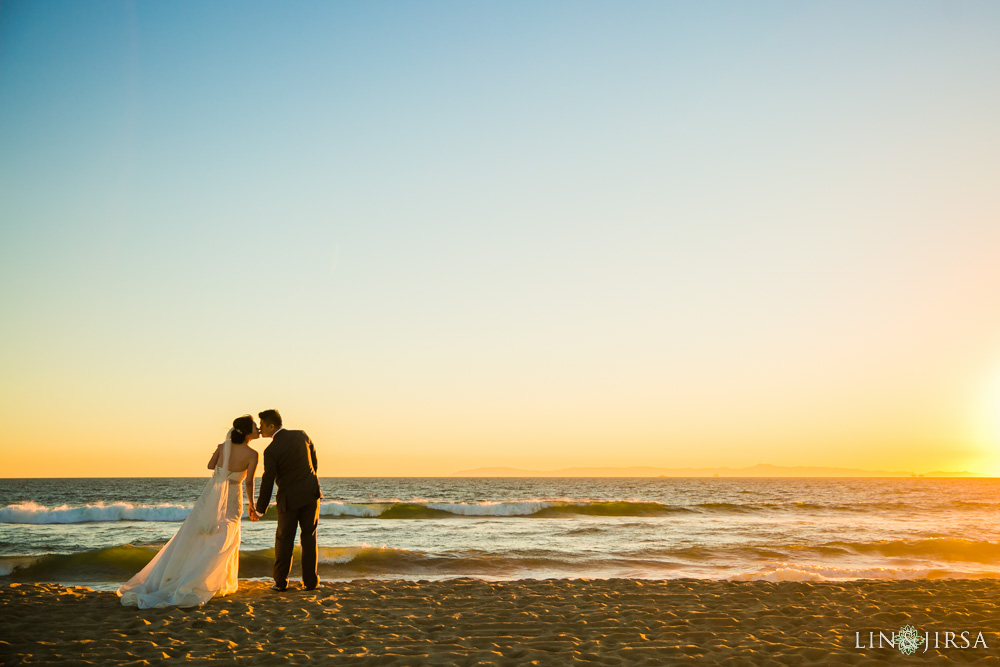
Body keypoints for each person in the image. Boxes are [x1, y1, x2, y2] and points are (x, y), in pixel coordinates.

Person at [118, 415, 261, 608]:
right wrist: (252, 504)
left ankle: (187, 575)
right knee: (226, 536)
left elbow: (210, 466)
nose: (258, 429)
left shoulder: (222, 447)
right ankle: (213, 579)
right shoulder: (252, 454)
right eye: (255, 426)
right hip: (233, 496)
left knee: (199, 533)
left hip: (212, 493)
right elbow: (250, 481)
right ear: (246, 432)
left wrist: (221, 457)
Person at [254, 409, 323, 591]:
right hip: (311, 494)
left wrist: (260, 508)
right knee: (309, 538)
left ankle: (280, 582)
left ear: (271, 426)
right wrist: (309, 480)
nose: (260, 429)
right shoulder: (302, 435)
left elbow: (268, 480)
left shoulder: (271, 450)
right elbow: (314, 461)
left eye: (261, 425)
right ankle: (311, 582)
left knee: (284, 539)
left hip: (288, 499)